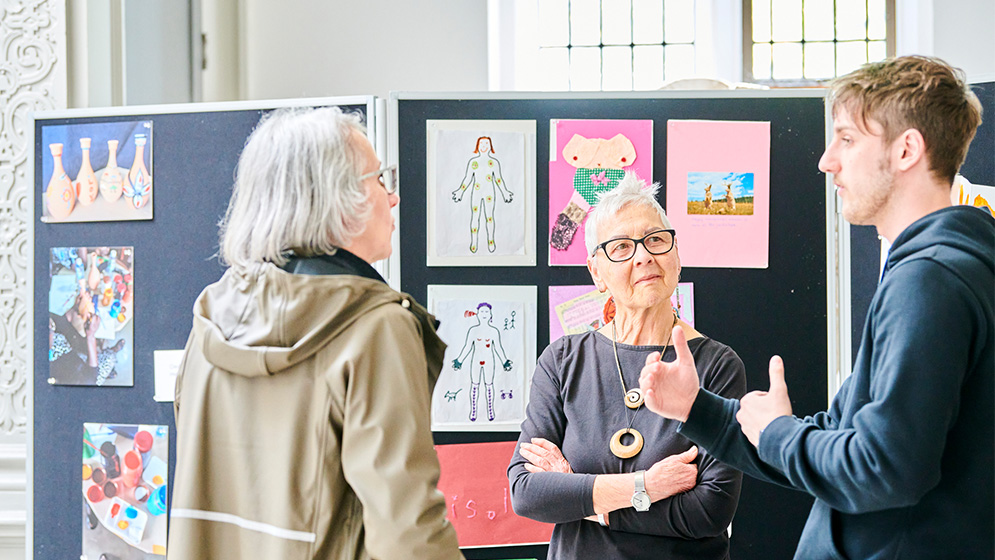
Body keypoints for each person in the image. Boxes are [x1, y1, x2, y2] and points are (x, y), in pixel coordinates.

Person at [639, 55, 993, 559]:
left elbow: (881, 468)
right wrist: (697, 410)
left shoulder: (929, 281)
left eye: (847, 139)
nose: (827, 161)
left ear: (906, 149)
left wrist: (780, 433)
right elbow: (840, 442)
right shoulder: (943, 266)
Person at [169, 107, 464, 559]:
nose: (392, 197)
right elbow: (407, 532)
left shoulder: (211, 315)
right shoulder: (377, 327)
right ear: (335, 198)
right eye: (380, 180)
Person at [508, 173, 747, 559]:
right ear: (596, 272)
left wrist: (586, 499)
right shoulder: (564, 360)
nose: (644, 256)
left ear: (676, 255)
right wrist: (645, 486)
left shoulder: (717, 365)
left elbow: (709, 510)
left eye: (655, 240)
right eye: (621, 246)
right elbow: (527, 492)